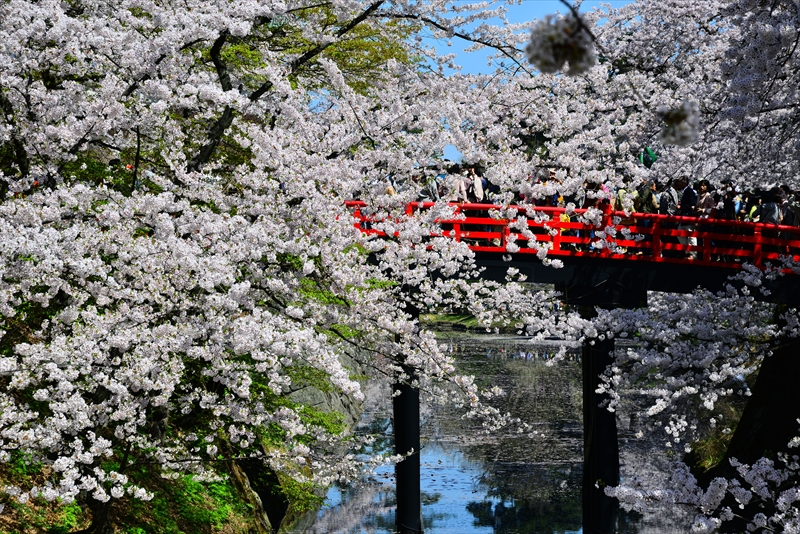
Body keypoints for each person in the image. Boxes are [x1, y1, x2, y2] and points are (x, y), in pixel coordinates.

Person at [677, 176, 698, 259]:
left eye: (680, 181)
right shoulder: (685, 191)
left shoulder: (689, 191)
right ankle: (687, 251)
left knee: (691, 235)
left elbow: (692, 204)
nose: (678, 183)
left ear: (684, 183)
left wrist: (682, 207)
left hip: (688, 216)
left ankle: (693, 254)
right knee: (679, 233)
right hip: (684, 216)